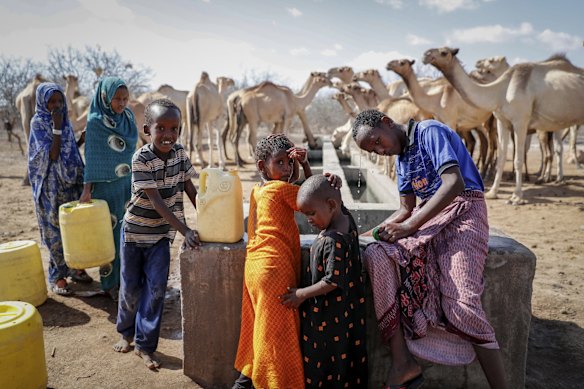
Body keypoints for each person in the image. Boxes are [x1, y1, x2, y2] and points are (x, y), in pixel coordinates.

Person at [351, 109, 508, 389]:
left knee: (462, 304)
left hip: (464, 210)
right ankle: (403, 362)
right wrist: (369, 234)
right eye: (372, 150)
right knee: (377, 253)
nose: (379, 150)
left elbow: (454, 183)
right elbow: (405, 208)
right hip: (428, 219)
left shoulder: (428, 131)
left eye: (376, 141)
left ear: (387, 122)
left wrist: (410, 227)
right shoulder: (402, 160)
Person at [233, 134, 340, 389]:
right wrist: (307, 168)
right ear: (261, 166)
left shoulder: (259, 190)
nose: (286, 168)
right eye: (280, 162)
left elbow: (300, 191)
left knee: (260, 329)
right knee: (276, 335)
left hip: (254, 268)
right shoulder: (281, 189)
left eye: (288, 163)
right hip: (273, 269)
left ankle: (243, 382)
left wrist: (297, 169)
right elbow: (313, 198)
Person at [112, 98, 200, 369]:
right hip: (135, 234)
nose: (168, 135)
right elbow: (156, 201)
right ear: (147, 129)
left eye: (174, 128)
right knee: (130, 289)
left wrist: (209, 220)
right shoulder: (140, 158)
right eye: (161, 128)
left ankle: (144, 345)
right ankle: (126, 332)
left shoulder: (180, 155)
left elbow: (190, 189)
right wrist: (185, 230)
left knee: (157, 289)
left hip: (161, 236)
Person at [281, 174, 368, 388]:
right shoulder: (345, 218)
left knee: (324, 365)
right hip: (346, 315)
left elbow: (331, 280)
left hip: (327, 320)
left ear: (331, 205)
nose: (308, 220)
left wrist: (301, 294)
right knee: (344, 362)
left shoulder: (333, 241)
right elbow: (321, 193)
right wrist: (307, 169)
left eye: (311, 214)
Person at [28, 82, 90, 295]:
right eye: (51, 101)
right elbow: (51, 155)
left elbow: (67, 150)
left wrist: (80, 140)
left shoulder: (64, 122)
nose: (55, 105)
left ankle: (75, 267)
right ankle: (58, 276)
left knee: (73, 226)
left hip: (70, 182)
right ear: (42, 103)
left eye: (59, 101)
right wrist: (56, 126)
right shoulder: (38, 123)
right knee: (55, 229)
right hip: (51, 188)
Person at [80, 76, 138, 300]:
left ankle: (128, 280)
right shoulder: (95, 122)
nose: (122, 103)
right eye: (117, 99)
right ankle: (109, 284)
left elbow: (133, 150)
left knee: (129, 233)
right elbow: (92, 158)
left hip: (127, 184)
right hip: (104, 189)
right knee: (108, 236)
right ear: (105, 97)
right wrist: (87, 190)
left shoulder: (128, 117)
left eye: (125, 99)